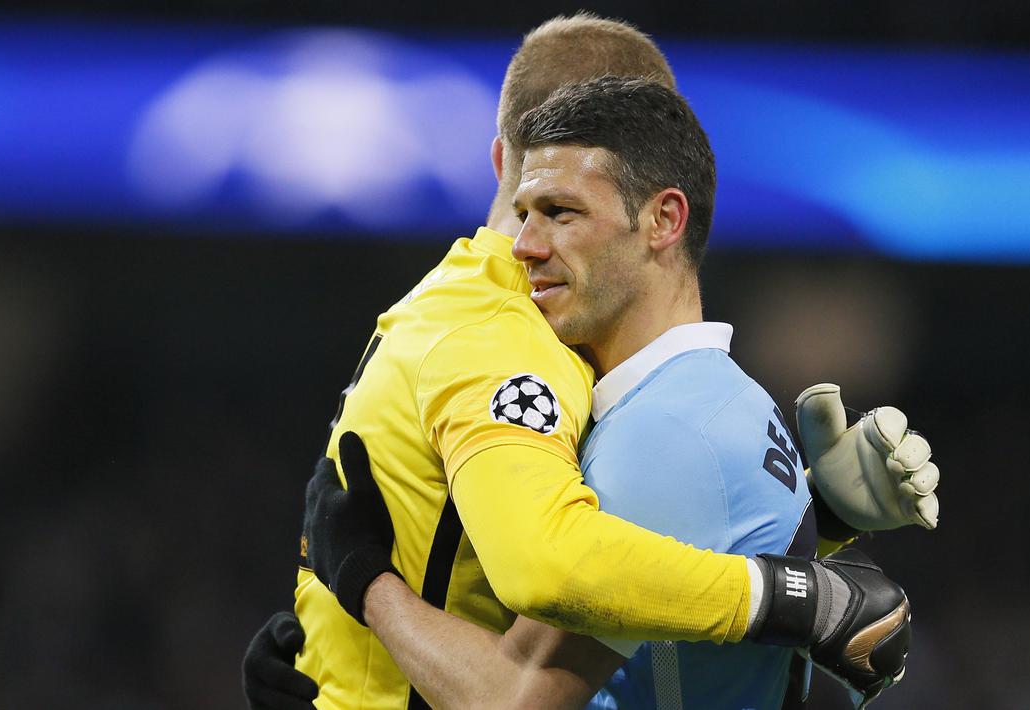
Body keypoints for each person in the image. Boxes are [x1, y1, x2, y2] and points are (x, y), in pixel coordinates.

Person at [243, 15, 937, 710]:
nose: (527, 243)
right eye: (531, 208)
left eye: (565, 210)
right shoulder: (509, 337)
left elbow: (527, 665)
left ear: (659, 214)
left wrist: (365, 586)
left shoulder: (501, 332)